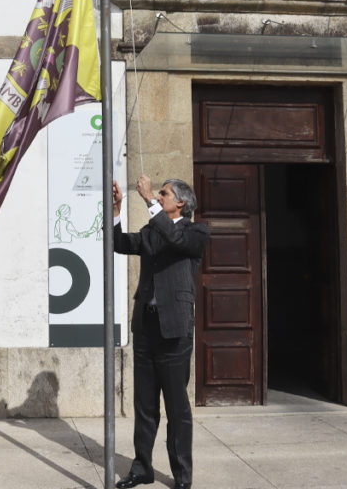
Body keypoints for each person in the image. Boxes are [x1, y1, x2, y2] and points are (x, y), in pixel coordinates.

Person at [112, 174, 210, 489]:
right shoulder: (154, 230)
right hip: (146, 326)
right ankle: (142, 468)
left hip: (175, 330)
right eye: (159, 194)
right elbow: (120, 244)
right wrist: (116, 211)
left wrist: (147, 200)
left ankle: (182, 475)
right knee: (145, 405)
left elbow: (176, 240)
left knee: (177, 408)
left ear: (180, 202)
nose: (158, 196)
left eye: (163, 194)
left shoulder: (196, 231)